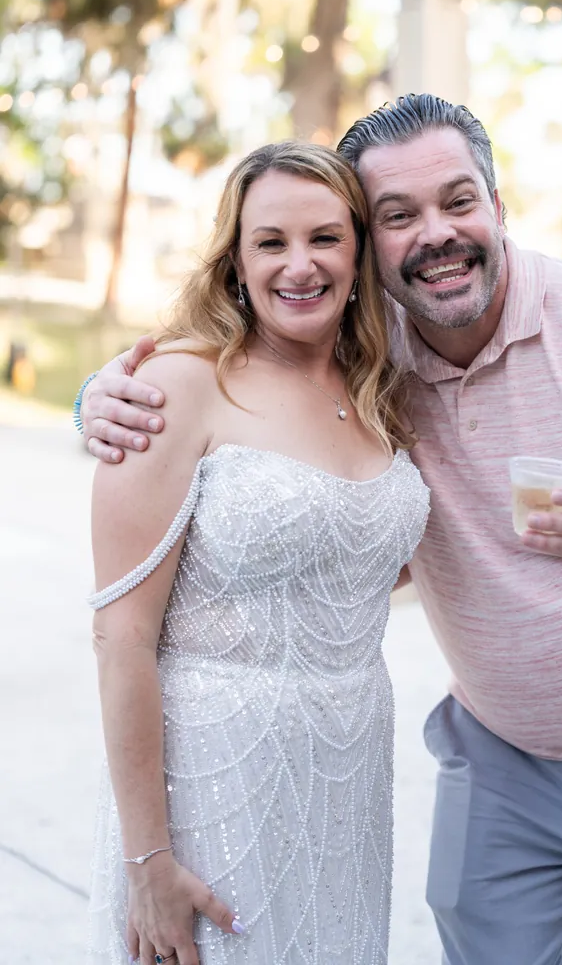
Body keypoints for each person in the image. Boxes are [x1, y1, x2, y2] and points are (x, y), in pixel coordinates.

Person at [82, 94, 562, 965]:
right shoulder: (369, 355)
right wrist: (102, 397)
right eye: (397, 215)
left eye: (457, 201)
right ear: (371, 242)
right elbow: (227, 390)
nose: (435, 235)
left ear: (497, 208)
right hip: (499, 765)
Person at [87, 140, 430, 965]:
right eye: (271, 242)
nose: (300, 265)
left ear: (359, 254)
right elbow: (122, 637)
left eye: (325, 237)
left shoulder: (382, 391)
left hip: (348, 774)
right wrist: (148, 863)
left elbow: (366, 563)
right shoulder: (175, 385)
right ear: (235, 263)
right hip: (209, 783)